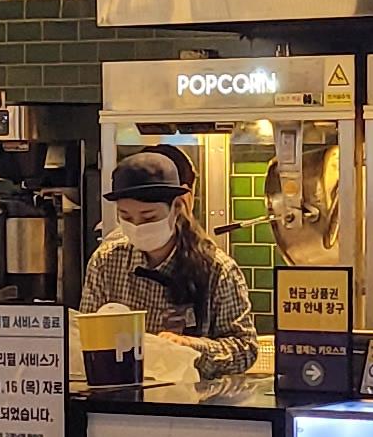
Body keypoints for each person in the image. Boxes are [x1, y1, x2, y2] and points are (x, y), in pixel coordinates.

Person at [79, 152, 259, 379]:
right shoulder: (106, 261)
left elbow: (245, 349)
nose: (137, 226)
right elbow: (82, 337)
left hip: (192, 396)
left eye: (148, 217)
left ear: (176, 207)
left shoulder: (217, 269)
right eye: (126, 217)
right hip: (122, 392)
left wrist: (188, 346)